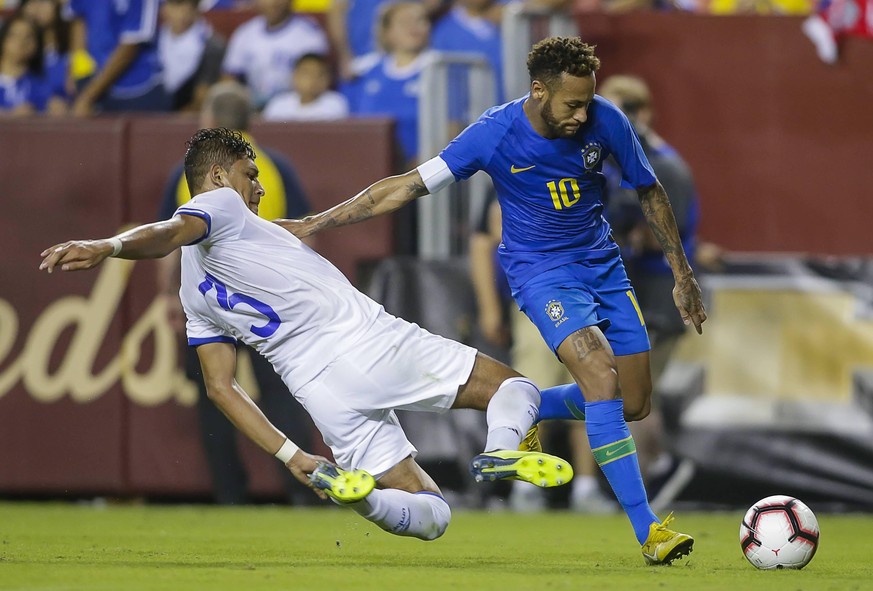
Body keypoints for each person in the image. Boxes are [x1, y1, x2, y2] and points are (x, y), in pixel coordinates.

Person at [280, 36, 706, 564]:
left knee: (634, 402)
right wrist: (316, 222)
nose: (581, 114)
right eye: (572, 104)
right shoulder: (494, 132)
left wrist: (681, 273)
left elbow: (649, 190)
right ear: (538, 91)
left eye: (587, 102)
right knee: (597, 373)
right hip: (541, 274)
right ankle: (649, 530)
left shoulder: (606, 119)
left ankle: (521, 407)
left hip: (603, 266)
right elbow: (406, 186)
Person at [41, 128, 573, 541]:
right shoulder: (218, 204)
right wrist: (109, 246)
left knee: (432, 516)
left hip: (320, 392)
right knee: (515, 390)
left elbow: (221, 388)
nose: (260, 186)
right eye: (251, 174)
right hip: (365, 342)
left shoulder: (192, 293)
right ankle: (503, 450)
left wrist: (293, 457)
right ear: (219, 180)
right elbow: (168, 232)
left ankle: (358, 498)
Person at [158, 82, 315, 505]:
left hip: (211, 302)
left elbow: (168, 240)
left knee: (217, 395)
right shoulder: (274, 166)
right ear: (250, 121)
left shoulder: (188, 174)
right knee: (282, 393)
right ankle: (301, 493)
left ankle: (229, 494)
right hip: (271, 304)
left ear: (208, 122)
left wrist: (168, 299)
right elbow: (303, 233)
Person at [470, 195, 616, 514]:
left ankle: (586, 488)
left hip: (589, 301)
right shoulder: (516, 171)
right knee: (533, 390)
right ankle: (525, 488)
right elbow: (485, 240)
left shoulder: (596, 169)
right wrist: (490, 308)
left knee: (593, 391)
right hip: (540, 299)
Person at [343, 1, 433, 168]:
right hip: (368, 166)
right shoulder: (364, 71)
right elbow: (351, 125)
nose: (414, 27)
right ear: (386, 32)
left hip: (422, 173)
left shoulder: (440, 69)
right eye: (404, 22)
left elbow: (452, 127)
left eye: (420, 20)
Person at [67, 0, 169, 116]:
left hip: (138, 91)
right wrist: (75, 71)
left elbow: (131, 45)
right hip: (95, 86)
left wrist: (87, 97)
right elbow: (79, 18)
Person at [221, 0, 329, 109]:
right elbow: (229, 78)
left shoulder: (308, 33)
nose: (273, 3)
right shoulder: (245, 33)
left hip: (293, 107)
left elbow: (316, 77)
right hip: (250, 106)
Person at [158, 0, 226, 112]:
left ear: (197, 10)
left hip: (186, 115)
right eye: (177, 5)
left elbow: (202, 99)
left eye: (191, 6)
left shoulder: (211, 45)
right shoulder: (152, 41)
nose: (184, 12)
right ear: (164, 8)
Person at [262, 53, 349, 122]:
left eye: (320, 75)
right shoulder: (278, 104)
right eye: (307, 74)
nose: (313, 79)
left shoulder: (334, 103)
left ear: (328, 79)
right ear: (295, 76)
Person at [19, 0, 70, 114]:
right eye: (30, 1)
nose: (36, 7)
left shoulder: (74, 47)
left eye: (43, 1)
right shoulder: (16, 49)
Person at [0, 13, 53, 116]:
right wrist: (10, 115)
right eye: (15, 35)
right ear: (3, 40)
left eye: (28, 37)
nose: (21, 42)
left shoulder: (42, 86)